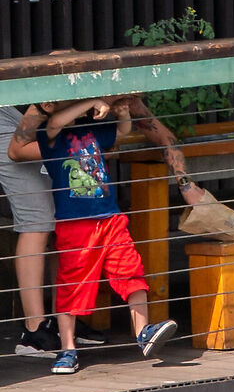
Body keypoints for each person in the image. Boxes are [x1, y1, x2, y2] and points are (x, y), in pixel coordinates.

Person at [8, 97, 183, 370]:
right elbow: (54, 122)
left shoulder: (91, 131)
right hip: (75, 224)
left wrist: (122, 113)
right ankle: (68, 349)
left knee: (131, 272)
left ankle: (143, 332)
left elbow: (122, 131)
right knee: (71, 286)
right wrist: (92, 100)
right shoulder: (50, 135)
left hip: (110, 218)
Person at [0, 98, 62, 357]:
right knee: (38, 217)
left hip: (17, 106)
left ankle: (63, 319)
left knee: (62, 216)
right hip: (12, 110)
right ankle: (34, 329)